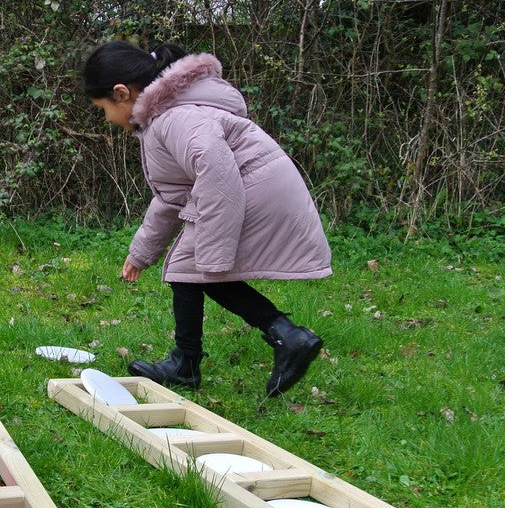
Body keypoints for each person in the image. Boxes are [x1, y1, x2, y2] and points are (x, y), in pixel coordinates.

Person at [82, 40, 332, 396]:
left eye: (102, 107)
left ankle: (281, 338)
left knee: (199, 268)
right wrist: (141, 253)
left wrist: (214, 252)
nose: (106, 118)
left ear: (122, 93)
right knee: (190, 270)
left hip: (252, 189)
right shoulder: (165, 117)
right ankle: (195, 360)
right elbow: (170, 198)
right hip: (255, 186)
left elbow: (217, 171)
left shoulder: (175, 118)